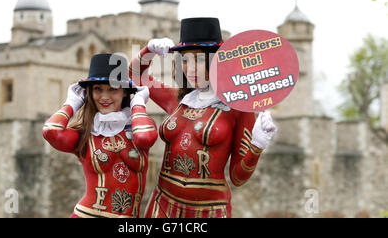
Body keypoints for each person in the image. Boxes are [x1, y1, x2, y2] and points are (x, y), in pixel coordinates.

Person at [129, 17, 277, 218]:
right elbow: (135, 75)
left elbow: (238, 177)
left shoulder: (238, 108)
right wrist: (148, 51)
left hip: (209, 211)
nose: (190, 69)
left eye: (199, 59)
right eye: (185, 60)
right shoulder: (179, 99)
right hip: (161, 204)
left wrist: (257, 146)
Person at [43, 53, 158, 218]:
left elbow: (145, 138)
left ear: (125, 92)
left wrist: (138, 103)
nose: (104, 97)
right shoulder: (84, 134)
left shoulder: (140, 125)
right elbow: (51, 131)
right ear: (89, 93)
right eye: (98, 89)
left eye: (112, 89)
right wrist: (72, 103)